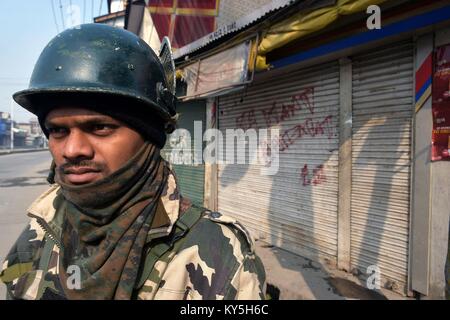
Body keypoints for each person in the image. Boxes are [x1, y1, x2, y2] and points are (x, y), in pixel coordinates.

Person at [0, 24, 266, 300]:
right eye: (58, 130)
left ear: (148, 136)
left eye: (100, 127)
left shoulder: (218, 252)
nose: (72, 149)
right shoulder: (41, 227)